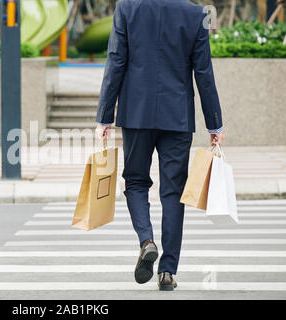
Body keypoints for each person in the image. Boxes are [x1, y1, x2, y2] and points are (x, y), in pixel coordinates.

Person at [95, 0, 225, 291]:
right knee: (173, 191)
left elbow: (116, 61)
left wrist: (104, 117)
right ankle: (167, 272)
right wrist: (214, 124)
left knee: (136, 181)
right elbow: (204, 72)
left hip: (136, 114)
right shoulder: (196, 14)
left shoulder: (127, 9)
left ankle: (147, 240)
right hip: (177, 116)